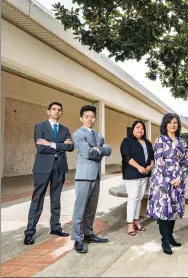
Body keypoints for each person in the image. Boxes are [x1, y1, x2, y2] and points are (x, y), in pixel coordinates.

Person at [24, 102, 74, 245]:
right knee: (37, 198)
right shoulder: (40, 127)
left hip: (59, 167)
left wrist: (50, 144)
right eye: (54, 109)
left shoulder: (65, 129)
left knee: (56, 198)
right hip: (42, 168)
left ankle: (55, 227)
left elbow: (70, 147)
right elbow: (40, 148)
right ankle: (29, 232)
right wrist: (60, 146)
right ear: (48, 111)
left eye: (59, 110)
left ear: (61, 113)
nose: (56, 111)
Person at [71, 105, 112, 254]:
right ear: (81, 118)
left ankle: (88, 234)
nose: (90, 119)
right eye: (87, 116)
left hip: (96, 175)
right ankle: (77, 239)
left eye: (92, 116)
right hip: (84, 176)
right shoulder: (78, 134)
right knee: (80, 209)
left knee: (91, 209)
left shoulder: (98, 135)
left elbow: (109, 149)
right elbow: (88, 153)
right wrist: (99, 150)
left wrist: (98, 149)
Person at [147, 113, 188, 255]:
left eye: (175, 122)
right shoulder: (160, 140)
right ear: (165, 124)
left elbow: (185, 162)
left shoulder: (182, 141)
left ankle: (170, 236)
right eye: (170, 122)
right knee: (165, 208)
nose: (173, 125)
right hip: (162, 180)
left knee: (174, 209)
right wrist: (171, 178)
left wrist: (180, 177)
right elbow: (159, 161)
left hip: (178, 180)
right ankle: (164, 240)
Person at [120, 120, 154, 236]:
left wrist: (151, 166)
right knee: (133, 198)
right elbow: (126, 156)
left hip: (144, 173)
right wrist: (139, 167)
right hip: (132, 174)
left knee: (139, 198)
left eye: (142, 128)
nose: (140, 130)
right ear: (133, 129)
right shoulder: (127, 142)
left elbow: (152, 157)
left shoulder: (148, 143)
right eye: (137, 127)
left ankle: (136, 220)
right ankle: (129, 224)